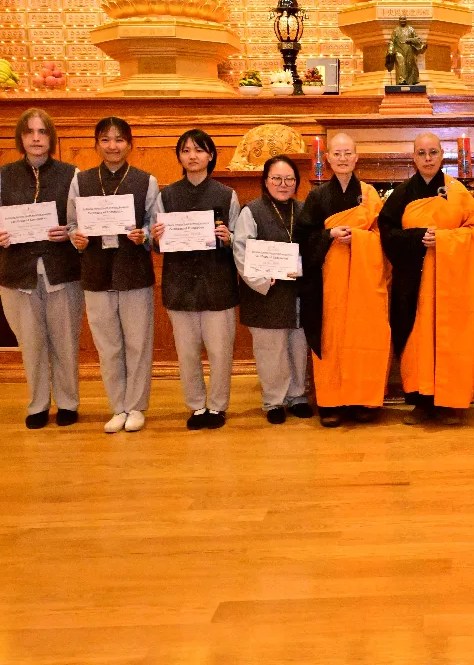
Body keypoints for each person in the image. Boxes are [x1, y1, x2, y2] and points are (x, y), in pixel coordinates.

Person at [0, 109, 83, 429]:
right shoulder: (4, 175)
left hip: (62, 270)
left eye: (42, 132)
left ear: (51, 137)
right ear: (20, 138)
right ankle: (37, 404)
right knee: (32, 343)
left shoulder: (72, 173)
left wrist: (69, 231)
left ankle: (67, 402)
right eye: (29, 132)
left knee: (65, 340)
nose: (36, 138)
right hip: (18, 273)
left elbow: (82, 223)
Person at [379, 132, 474, 425]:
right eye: (421, 153)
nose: (427, 159)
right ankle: (421, 402)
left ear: (442, 156)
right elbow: (386, 233)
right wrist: (417, 238)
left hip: (450, 283)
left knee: (447, 337)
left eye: (433, 153)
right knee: (415, 340)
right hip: (412, 282)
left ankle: (448, 402)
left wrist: (444, 239)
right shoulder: (401, 194)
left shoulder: (458, 192)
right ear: (413, 158)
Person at [67, 117, 158, 434]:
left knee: (138, 344)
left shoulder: (147, 181)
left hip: (133, 273)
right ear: (96, 145)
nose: (113, 146)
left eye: (119, 140)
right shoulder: (82, 181)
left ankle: (136, 407)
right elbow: (71, 225)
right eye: (105, 140)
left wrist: (143, 235)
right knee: (108, 347)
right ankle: (117, 407)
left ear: (130, 144)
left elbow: (155, 226)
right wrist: (75, 238)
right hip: (96, 273)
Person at [298, 133, 392, 428]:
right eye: (336, 153)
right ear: (327, 159)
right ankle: (331, 401)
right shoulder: (316, 196)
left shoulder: (369, 195)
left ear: (356, 157)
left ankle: (363, 399)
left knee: (364, 334)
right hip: (329, 282)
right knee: (332, 337)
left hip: (364, 279)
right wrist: (329, 235)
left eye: (347, 153)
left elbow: (383, 235)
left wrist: (360, 237)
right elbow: (303, 238)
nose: (342, 158)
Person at [152, 129, 240, 430]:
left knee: (220, 352)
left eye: (199, 150)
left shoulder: (226, 195)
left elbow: (240, 241)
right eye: (186, 150)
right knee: (187, 353)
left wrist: (229, 237)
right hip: (179, 284)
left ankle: (217, 406)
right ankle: (196, 406)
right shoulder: (167, 195)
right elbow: (156, 242)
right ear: (179, 156)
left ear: (211, 155)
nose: (192, 156)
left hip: (218, 284)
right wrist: (156, 238)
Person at [233, 155, 312, 425]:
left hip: (298, 292)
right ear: (265, 181)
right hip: (266, 292)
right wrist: (263, 279)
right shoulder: (252, 211)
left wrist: (302, 268)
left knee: (298, 346)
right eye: (276, 178)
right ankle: (274, 401)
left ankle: (298, 396)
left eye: (289, 179)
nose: (283, 184)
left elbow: (312, 249)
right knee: (271, 349)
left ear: (296, 183)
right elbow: (241, 251)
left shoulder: (304, 209)